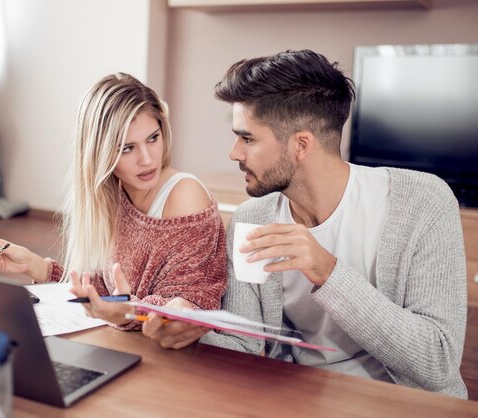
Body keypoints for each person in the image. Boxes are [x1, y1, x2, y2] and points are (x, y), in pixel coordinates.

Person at [143, 50, 468, 398]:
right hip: (301, 398)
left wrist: (327, 271)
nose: (234, 153)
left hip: (405, 404)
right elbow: (246, 345)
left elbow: (438, 362)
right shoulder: (251, 219)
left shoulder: (422, 203)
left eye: (247, 138)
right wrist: (191, 330)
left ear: (301, 145)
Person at [0, 73, 227, 333]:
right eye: (127, 148)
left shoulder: (184, 195)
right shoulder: (115, 192)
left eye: (153, 138)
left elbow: (185, 307)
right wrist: (40, 267)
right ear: (99, 152)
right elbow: (109, 290)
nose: (147, 159)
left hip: (189, 359)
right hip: (133, 344)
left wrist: (126, 312)